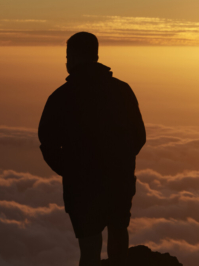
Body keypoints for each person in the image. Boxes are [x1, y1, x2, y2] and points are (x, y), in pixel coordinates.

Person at [38, 32, 146, 266]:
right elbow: (139, 136)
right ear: (96, 55)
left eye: (67, 56)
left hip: (81, 186)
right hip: (119, 180)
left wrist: (71, 169)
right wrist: (121, 161)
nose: (66, 62)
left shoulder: (62, 97)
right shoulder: (122, 91)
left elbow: (47, 143)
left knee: (89, 248)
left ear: (75, 57)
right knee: (118, 233)